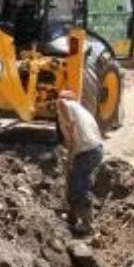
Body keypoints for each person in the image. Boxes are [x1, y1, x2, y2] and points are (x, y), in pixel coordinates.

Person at [55, 89, 104, 234]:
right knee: (75, 182)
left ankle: (87, 225)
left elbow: (71, 128)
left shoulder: (64, 103)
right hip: (96, 150)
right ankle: (73, 217)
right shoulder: (84, 111)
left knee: (78, 188)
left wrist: (72, 154)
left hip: (86, 152)